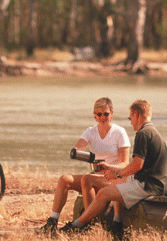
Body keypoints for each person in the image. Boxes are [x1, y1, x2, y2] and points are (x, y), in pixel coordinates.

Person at [59, 99, 167, 239]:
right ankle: (116, 224)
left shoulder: (143, 134)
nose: (130, 121)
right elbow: (136, 166)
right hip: (159, 184)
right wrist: (114, 171)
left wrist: (117, 174)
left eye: (130, 117)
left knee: (103, 193)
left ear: (136, 114)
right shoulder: (153, 131)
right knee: (115, 183)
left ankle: (76, 225)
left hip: (149, 185)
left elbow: (137, 165)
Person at [40, 97, 130, 236]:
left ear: (112, 113)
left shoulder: (119, 132)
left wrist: (107, 166)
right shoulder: (90, 131)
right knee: (64, 179)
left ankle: (89, 222)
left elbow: (125, 163)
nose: (102, 117)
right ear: (94, 115)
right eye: (99, 114)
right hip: (96, 176)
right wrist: (86, 156)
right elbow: (77, 149)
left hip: (114, 178)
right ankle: (52, 222)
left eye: (105, 114)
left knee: (87, 178)